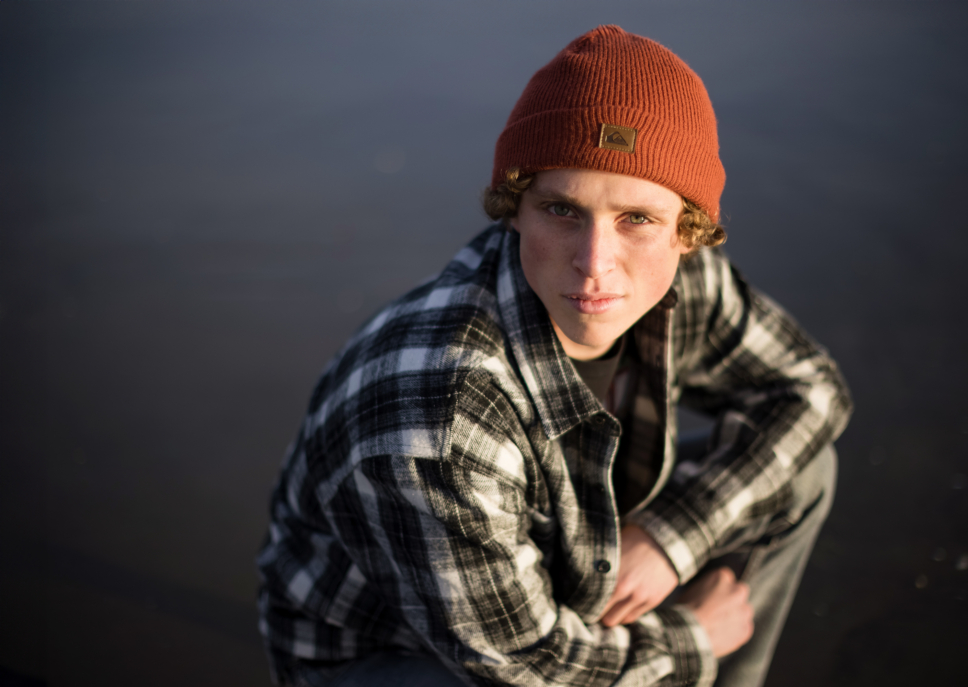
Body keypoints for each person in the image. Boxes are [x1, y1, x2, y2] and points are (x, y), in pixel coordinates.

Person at [256, 25, 852, 687]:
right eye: (563, 210)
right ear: (514, 209)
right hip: (404, 655)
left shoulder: (682, 278)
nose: (596, 264)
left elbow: (811, 387)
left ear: (688, 231)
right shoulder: (438, 419)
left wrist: (670, 535)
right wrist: (693, 639)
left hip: (563, 557)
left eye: (637, 219)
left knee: (801, 470)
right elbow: (523, 665)